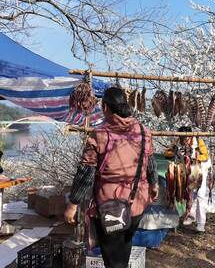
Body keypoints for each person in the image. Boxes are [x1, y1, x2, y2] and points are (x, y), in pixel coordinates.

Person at [64, 87, 158, 268]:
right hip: (138, 201)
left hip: (111, 207)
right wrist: (154, 185)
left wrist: (73, 203)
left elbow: (86, 173)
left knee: (113, 258)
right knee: (124, 246)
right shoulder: (143, 131)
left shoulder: (99, 135)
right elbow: (150, 162)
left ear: (105, 107)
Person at [164, 126, 210, 233]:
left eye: (185, 138)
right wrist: (174, 152)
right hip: (187, 170)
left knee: (200, 195)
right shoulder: (177, 142)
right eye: (181, 138)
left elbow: (205, 156)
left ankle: (201, 223)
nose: (183, 140)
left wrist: (194, 155)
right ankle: (190, 215)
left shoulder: (198, 141)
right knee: (190, 194)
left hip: (200, 170)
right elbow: (166, 153)